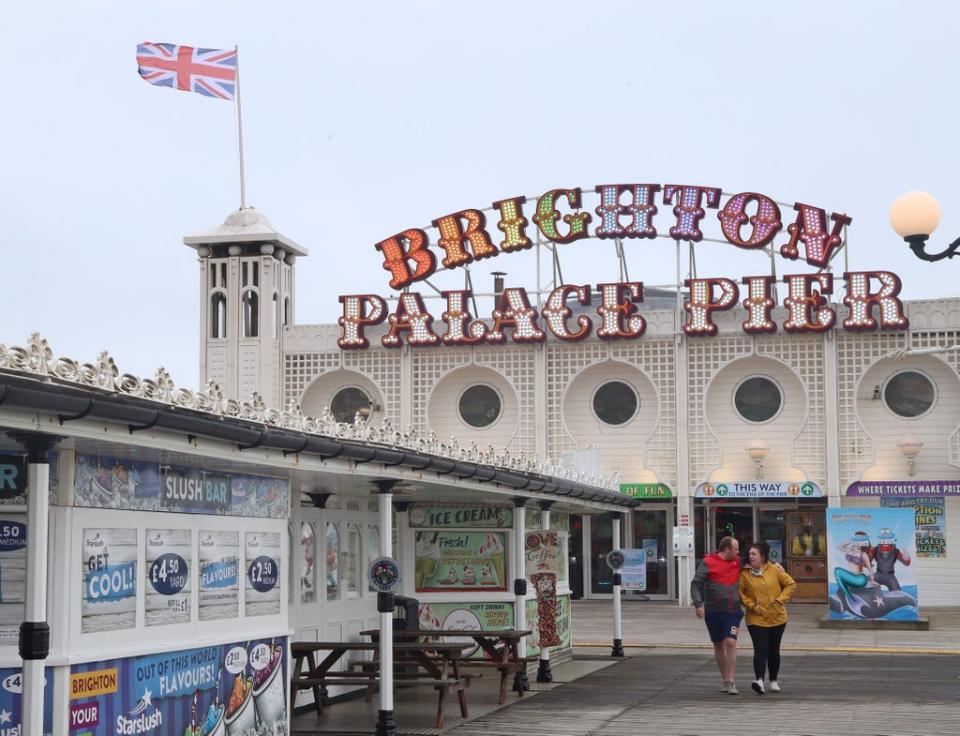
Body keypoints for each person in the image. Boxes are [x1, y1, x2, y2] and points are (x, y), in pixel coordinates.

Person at [739, 541, 796, 695]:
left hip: (778, 617)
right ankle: (759, 680)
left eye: (754, 554)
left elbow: (791, 584)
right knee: (760, 648)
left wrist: (780, 599)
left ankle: (773, 681)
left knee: (773, 650)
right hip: (756, 618)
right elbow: (741, 593)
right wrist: (751, 605)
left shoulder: (775, 569)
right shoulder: (744, 573)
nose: (751, 557)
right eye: (750, 554)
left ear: (763, 556)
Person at [691, 536, 743, 694]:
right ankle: (725, 679)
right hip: (713, 611)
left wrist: (776, 565)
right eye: (736, 549)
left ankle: (732, 680)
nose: (738, 552)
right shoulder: (708, 562)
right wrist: (698, 604)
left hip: (733, 610)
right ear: (727, 549)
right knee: (718, 644)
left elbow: (759, 560)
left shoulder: (738, 561)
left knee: (730, 642)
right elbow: (696, 584)